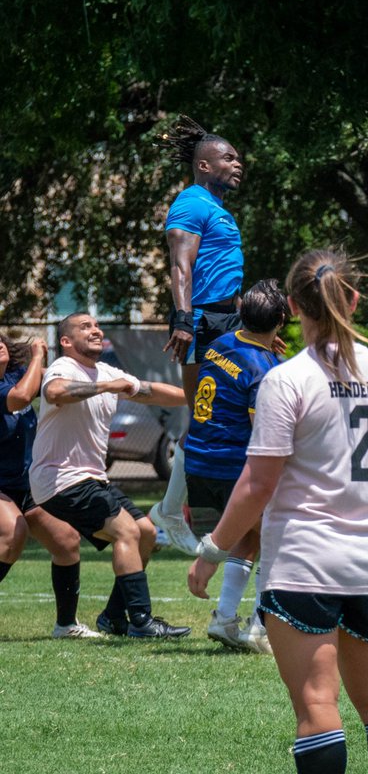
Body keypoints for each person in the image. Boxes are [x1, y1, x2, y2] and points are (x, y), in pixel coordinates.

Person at [188, 249, 368, 773]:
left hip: (305, 561)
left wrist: (212, 550)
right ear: (355, 299)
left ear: (292, 305)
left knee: (318, 706)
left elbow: (257, 484)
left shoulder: (287, 380)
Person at [30, 313, 191, 638]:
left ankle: (113, 617)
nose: (95, 329)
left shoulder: (105, 370)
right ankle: (142, 621)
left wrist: (197, 398)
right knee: (127, 532)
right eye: (85, 327)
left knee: (145, 532)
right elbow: (55, 392)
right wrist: (105, 386)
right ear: (65, 341)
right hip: (60, 479)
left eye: (96, 325)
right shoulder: (64, 368)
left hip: (90, 479)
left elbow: (148, 390)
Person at [153, 115, 248, 555]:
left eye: (238, 158)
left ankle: (180, 510)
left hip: (228, 324)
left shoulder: (219, 210)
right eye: (228, 157)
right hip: (204, 324)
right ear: (204, 165)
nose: (237, 163)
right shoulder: (190, 203)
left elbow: (221, 277)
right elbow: (180, 264)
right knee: (203, 418)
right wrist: (183, 319)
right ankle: (175, 510)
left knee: (225, 416)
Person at [183, 279, 289, 653]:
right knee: (278, 537)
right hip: (232, 466)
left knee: (251, 535)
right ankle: (260, 627)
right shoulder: (264, 368)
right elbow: (266, 429)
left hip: (198, 463)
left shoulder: (218, 346)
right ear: (281, 319)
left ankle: (225, 619)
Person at [0, 331, 97, 639]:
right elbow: (20, 398)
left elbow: (55, 383)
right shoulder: (17, 383)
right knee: (12, 536)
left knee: (67, 541)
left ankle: (66, 625)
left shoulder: (19, 373)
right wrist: (38, 356)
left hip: (24, 482)